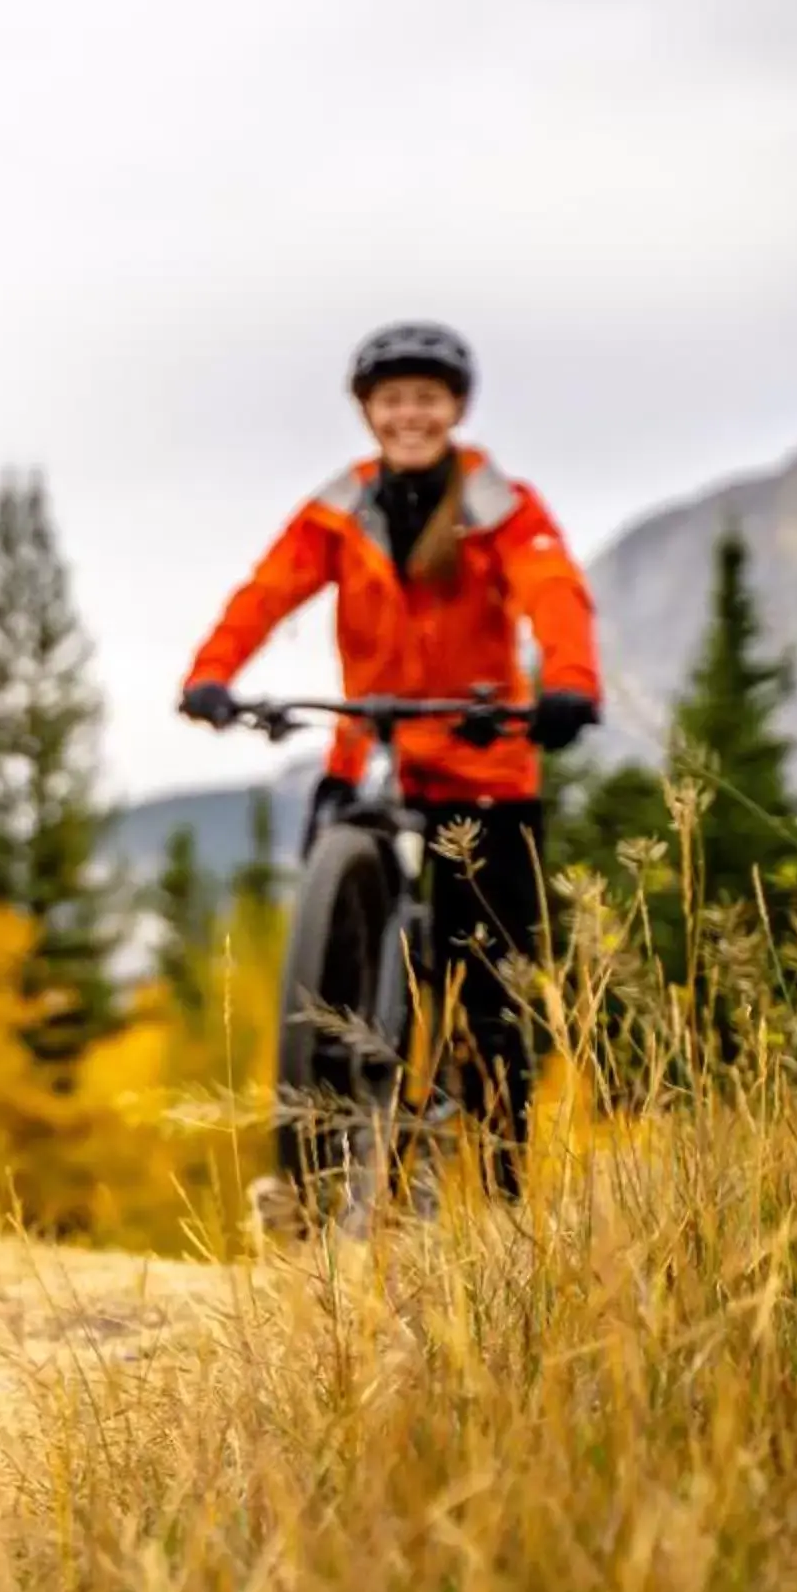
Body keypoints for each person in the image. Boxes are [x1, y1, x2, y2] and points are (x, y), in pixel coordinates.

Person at [176, 320, 601, 1201]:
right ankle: (314, 1176)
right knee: (322, 939)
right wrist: (212, 675)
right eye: (394, 398)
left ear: (456, 410)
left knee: (488, 989)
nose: (411, 414)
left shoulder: (501, 508)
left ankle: (498, 1191)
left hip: (482, 766)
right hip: (368, 749)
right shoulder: (342, 507)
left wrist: (567, 682)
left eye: (428, 398)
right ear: (369, 411)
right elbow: (268, 591)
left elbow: (554, 591)